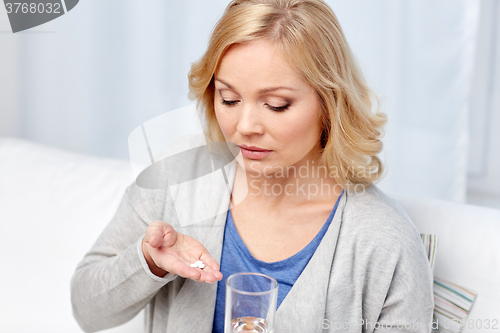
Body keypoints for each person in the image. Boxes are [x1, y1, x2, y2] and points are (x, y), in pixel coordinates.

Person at [71, 0, 434, 332]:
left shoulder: (382, 241)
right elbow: (86, 309)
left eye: (276, 105)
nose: (245, 126)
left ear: (329, 104)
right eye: (228, 98)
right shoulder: (179, 175)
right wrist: (149, 263)